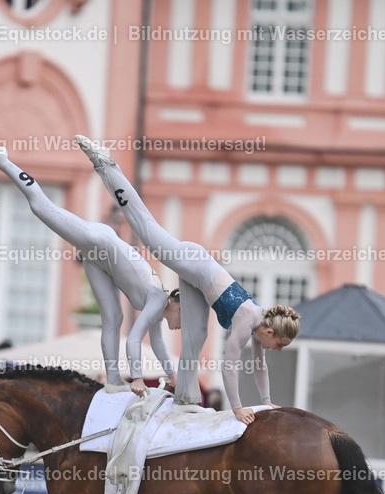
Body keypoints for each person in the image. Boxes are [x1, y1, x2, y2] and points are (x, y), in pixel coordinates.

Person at [76, 134, 300, 423]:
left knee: (196, 336)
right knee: (142, 222)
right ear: (271, 332)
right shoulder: (247, 320)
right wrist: (237, 408)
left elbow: (260, 367)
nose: (278, 351)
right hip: (191, 261)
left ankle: (185, 397)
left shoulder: (259, 328)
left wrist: (267, 401)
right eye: (280, 344)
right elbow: (229, 366)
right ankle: (105, 163)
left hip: (197, 282)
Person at [0, 143, 177, 394]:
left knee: (113, 317)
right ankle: (3, 160)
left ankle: (112, 379)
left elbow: (157, 343)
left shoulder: (157, 308)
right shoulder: (157, 298)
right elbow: (133, 340)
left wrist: (172, 373)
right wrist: (137, 378)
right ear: (177, 305)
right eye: (183, 319)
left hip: (99, 261)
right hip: (100, 242)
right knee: (41, 208)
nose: (180, 327)